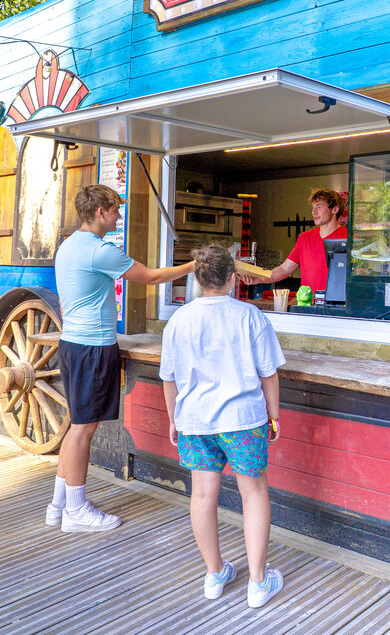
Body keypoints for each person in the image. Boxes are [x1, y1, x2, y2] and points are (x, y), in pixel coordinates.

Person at [48, 183, 194, 532]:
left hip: (72, 344)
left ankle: (59, 505)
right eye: (115, 210)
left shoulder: (69, 246)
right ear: (100, 213)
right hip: (93, 347)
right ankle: (76, 510)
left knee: (76, 426)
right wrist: (193, 266)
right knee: (83, 429)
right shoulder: (100, 251)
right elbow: (152, 277)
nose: (117, 216)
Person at [161, 243, 286, 609]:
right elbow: (269, 374)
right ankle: (258, 582)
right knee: (254, 494)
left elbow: (169, 378)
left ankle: (215, 574)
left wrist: (173, 419)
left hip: (195, 420)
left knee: (202, 496)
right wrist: (273, 416)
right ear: (233, 278)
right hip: (243, 420)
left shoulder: (178, 320)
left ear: (198, 279)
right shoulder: (250, 316)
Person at [250, 188, 346, 296]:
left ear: (335, 209)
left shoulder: (349, 239)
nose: (314, 212)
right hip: (308, 304)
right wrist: (258, 278)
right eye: (313, 207)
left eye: (319, 207)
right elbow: (284, 269)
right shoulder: (304, 238)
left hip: (338, 304)